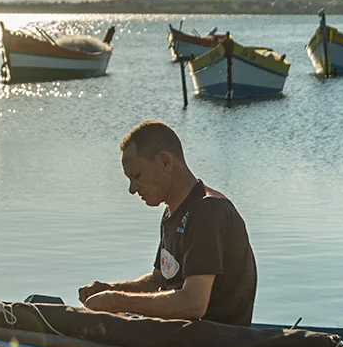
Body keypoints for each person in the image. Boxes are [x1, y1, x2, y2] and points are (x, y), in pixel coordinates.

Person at [78, 121, 257, 326]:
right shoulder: (173, 212)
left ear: (165, 162)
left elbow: (194, 303)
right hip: (182, 333)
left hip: (217, 339)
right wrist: (110, 289)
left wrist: (118, 301)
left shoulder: (208, 211)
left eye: (136, 177)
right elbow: (158, 280)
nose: (132, 189)